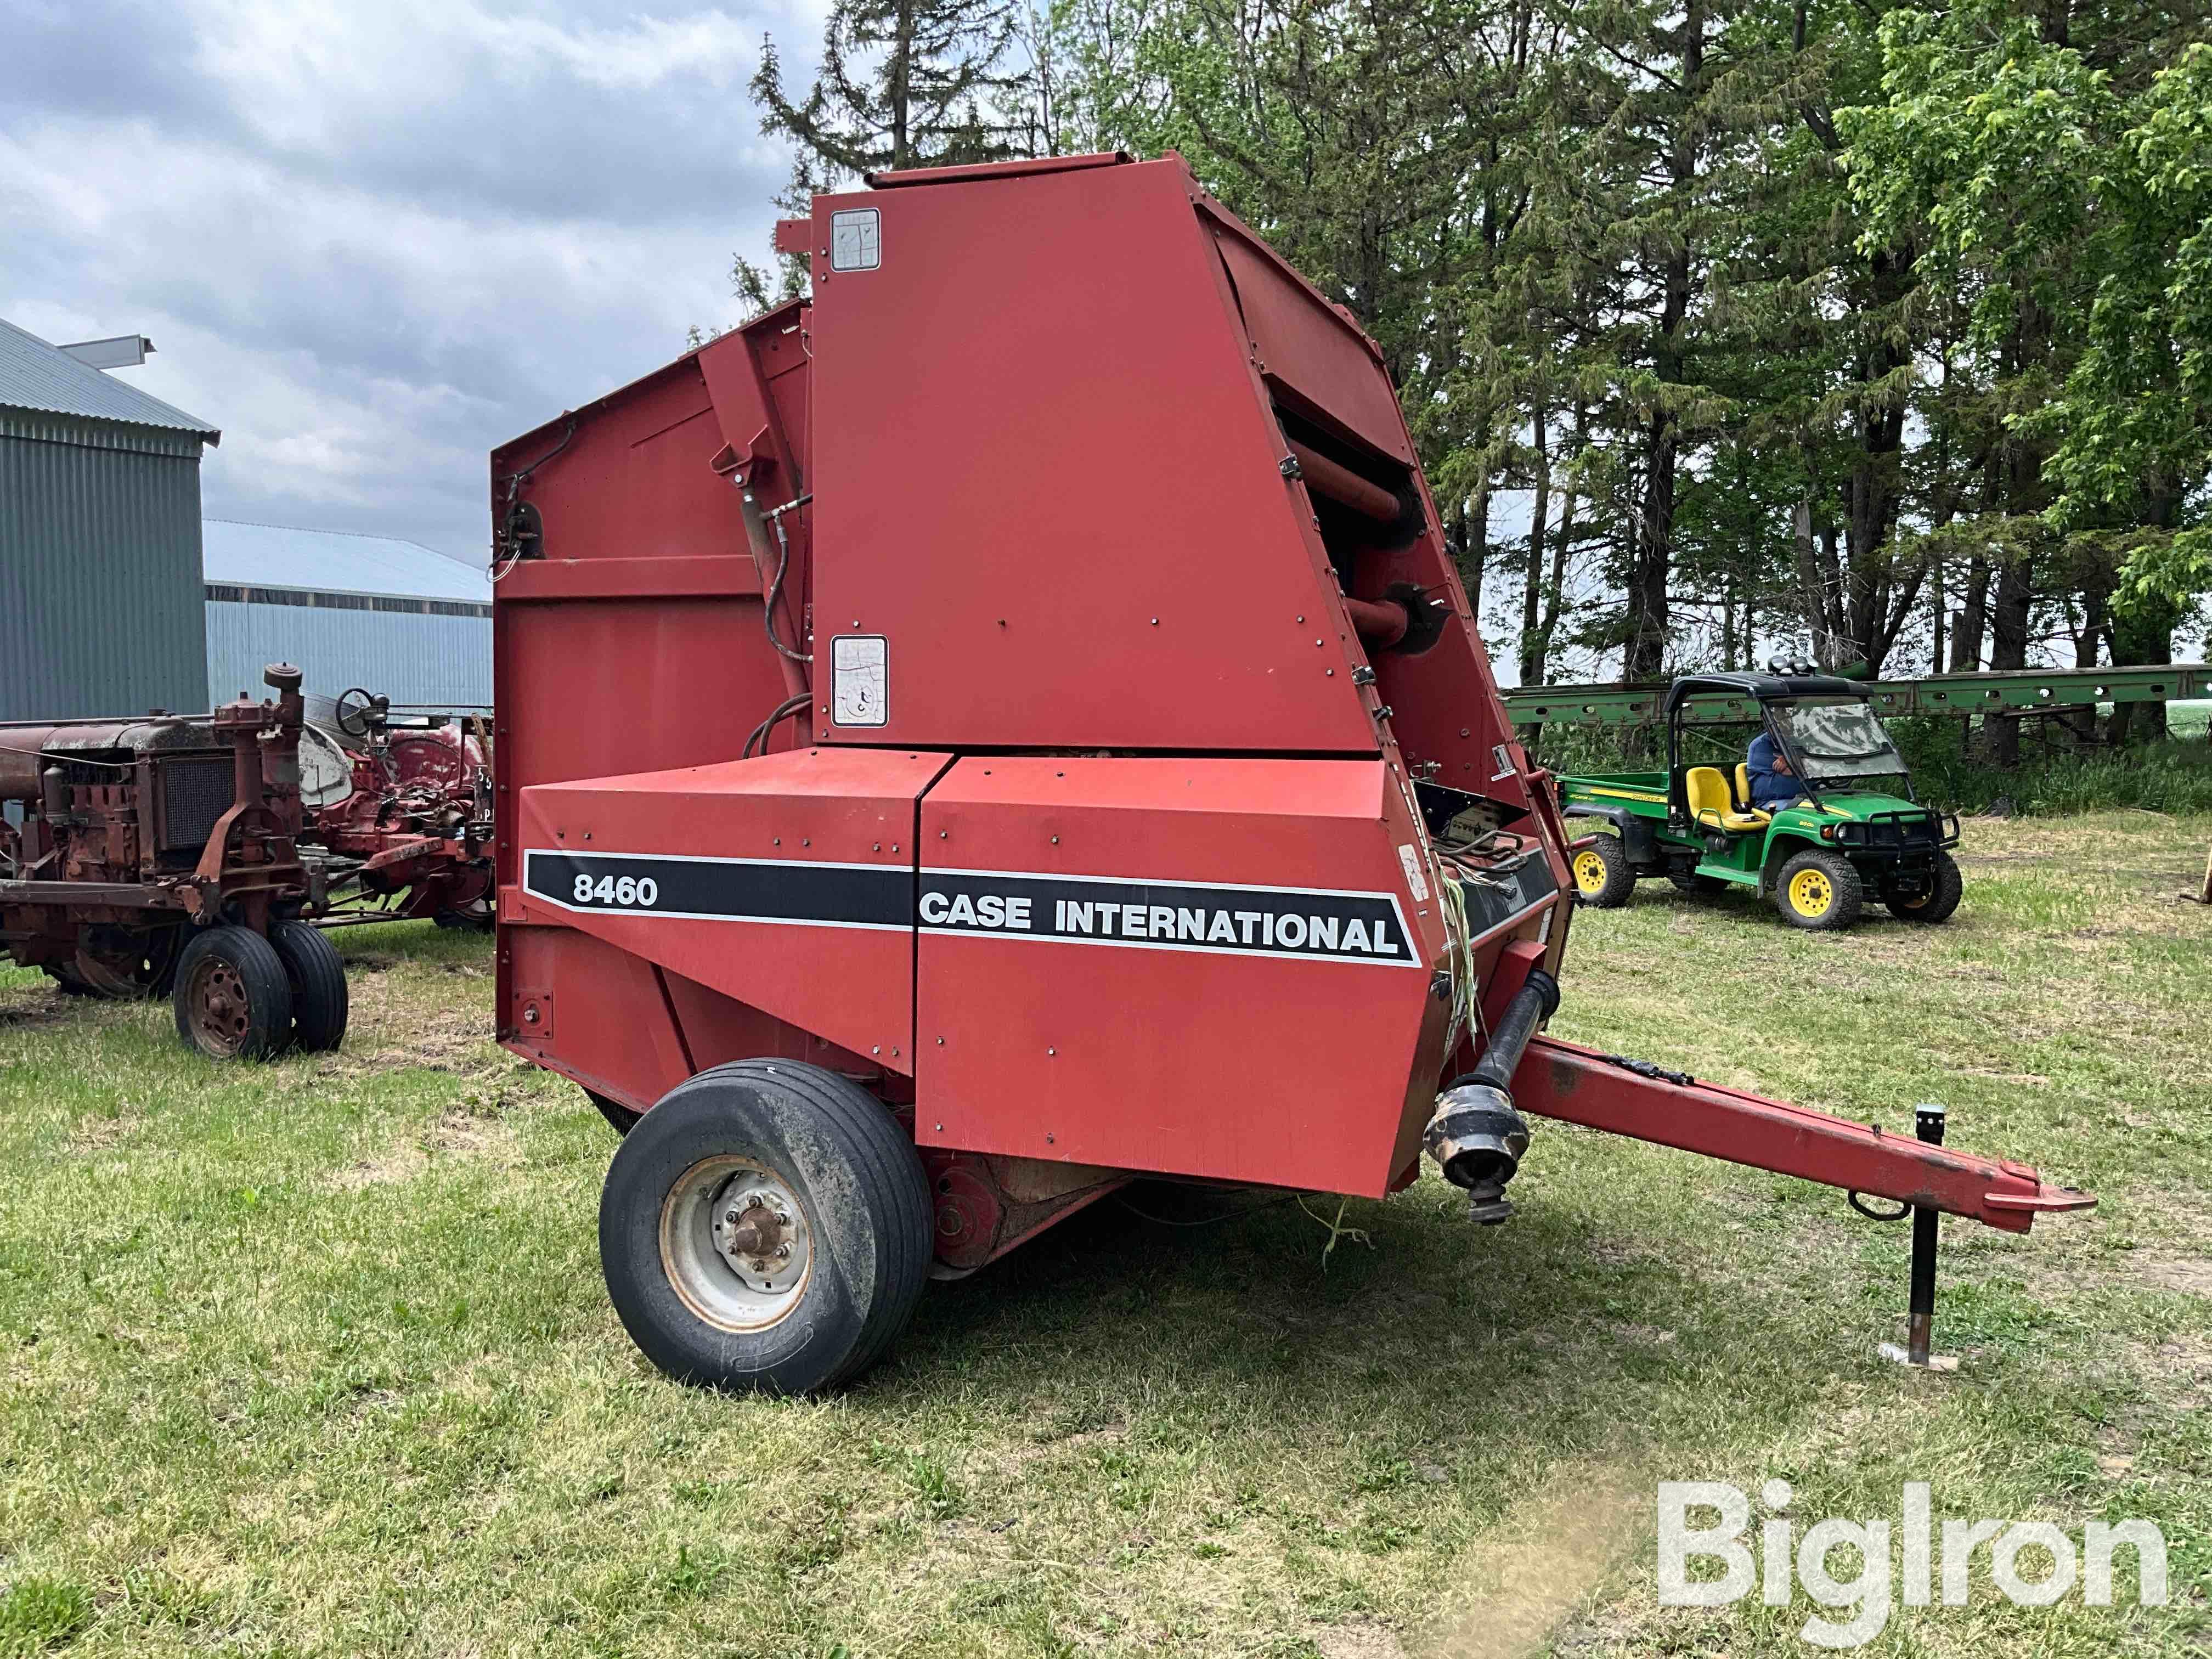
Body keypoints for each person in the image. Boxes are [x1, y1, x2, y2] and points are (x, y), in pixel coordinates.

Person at [1745, 730, 1804, 810]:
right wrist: (1794, 761)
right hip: (1770, 801)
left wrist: (1793, 759)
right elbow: (1791, 772)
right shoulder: (1760, 746)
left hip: (1807, 796)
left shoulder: (1799, 741)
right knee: (1799, 815)